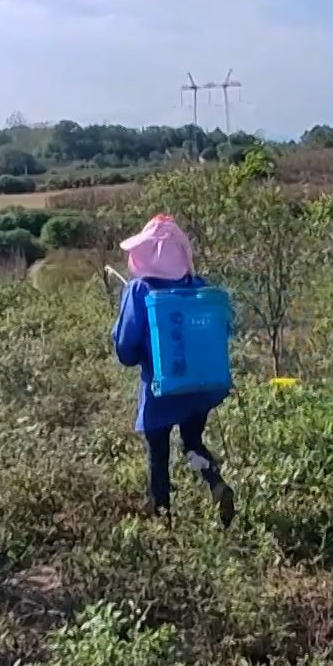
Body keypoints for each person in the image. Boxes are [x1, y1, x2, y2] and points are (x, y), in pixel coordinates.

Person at [112, 214, 235, 524]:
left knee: (159, 453)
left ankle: (163, 519)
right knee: (192, 443)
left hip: (161, 387)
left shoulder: (140, 290)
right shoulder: (197, 287)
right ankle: (215, 482)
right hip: (200, 387)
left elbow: (126, 349)